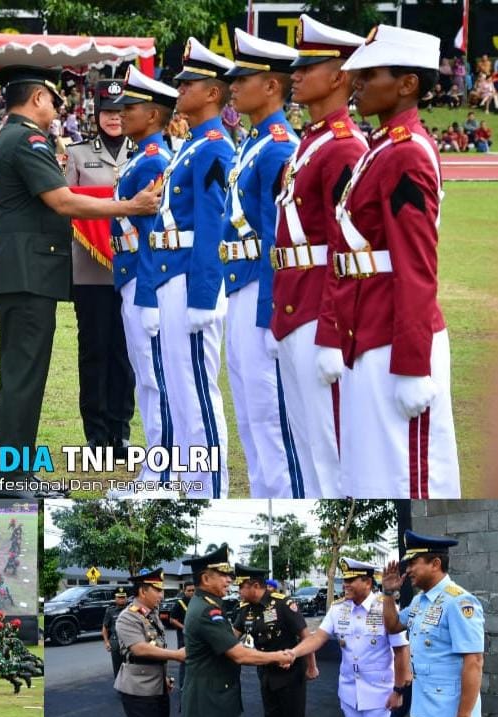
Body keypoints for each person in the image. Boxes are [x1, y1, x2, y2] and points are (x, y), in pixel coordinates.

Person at [0, 65, 160, 499]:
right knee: (24, 376)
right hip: (27, 272)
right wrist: (129, 207)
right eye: (54, 102)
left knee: (23, 374)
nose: (57, 112)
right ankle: (11, 479)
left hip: (25, 271)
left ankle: (15, 472)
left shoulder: (16, 137)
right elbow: (62, 200)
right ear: (38, 97)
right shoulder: (28, 139)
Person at [334, 25, 460, 497]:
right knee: (370, 472)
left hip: (396, 338)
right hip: (369, 326)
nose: (357, 84)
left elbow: (415, 265)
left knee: (409, 477)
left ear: (408, 84)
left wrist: (413, 362)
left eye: (369, 74)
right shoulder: (384, 146)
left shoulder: (406, 154)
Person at [270, 15, 367, 498]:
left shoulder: (345, 147)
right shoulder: (312, 141)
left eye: (309, 66)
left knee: (330, 448)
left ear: (340, 76)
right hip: (292, 303)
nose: (296, 75)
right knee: (308, 442)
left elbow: (344, 248)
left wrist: (333, 330)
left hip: (316, 311)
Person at [219, 30, 303, 498]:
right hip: (239, 284)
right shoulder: (253, 141)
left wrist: (273, 311)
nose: (234, 86)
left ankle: (283, 498)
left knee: (270, 412)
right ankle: (263, 492)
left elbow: (278, 236)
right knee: (250, 409)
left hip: (260, 288)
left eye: (244, 77)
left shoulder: (277, 145)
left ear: (271, 86)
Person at [153, 40, 236, 499]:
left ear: (211, 93)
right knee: (180, 393)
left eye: (189, 82)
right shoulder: (192, 145)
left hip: (193, 280)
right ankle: (188, 483)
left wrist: (204, 296)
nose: (180, 88)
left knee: (199, 394)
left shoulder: (213, 148)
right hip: (174, 272)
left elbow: (212, 226)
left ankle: (211, 488)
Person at [105, 65, 178, 497]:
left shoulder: (154, 161)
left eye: (130, 107)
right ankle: (157, 467)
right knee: (147, 376)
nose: (121, 114)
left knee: (154, 377)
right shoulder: (143, 157)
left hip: (142, 277)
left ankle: (163, 472)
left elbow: (156, 238)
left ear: (152, 114)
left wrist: (148, 292)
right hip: (131, 274)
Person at [64, 80, 137, 457]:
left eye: (120, 111)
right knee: (93, 349)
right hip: (90, 269)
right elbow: (66, 207)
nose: (114, 118)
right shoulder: (77, 155)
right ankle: (95, 432)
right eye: (107, 112)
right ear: (96, 115)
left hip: (132, 268)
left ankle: (120, 430)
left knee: (125, 352)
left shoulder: (142, 152)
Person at [289, 558, 410, 717]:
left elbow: (401, 650)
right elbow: (318, 637)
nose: (345, 584)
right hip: (348, 690)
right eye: (345, 579)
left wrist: (398, 690)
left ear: (368, 583)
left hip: (378, 691)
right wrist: (294, 653)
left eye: (352, 579)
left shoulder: (385, 607)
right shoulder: (338, 608)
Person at [182, 545, 294, 717]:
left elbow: (229, 638)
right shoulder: (207, 610)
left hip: (210, 702)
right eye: (223, 575)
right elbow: (239, 654)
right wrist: (278, 656)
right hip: (209, 706)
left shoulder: (206, 605)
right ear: (206, 579)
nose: (229, 580)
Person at [381, 530, 484, 717]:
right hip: (426, 710)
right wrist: (388, 593)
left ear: (435, 563)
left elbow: (474, 661)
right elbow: (393, 625)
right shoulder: (420, 601)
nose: (407, 570)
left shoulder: (459, 601)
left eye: (413, 562)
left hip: (450, 716)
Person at [232, 564, 318, 717]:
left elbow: (307, 637)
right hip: (266, 674)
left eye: (241, 586)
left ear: (254, 585)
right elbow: (231, 637)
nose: (238, 591)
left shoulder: (282, 604)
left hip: (291, 675)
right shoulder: (246, 610)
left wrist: (312, 666)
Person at [114, 568, 185, 717]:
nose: (162, 595)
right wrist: (176, 655)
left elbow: (156, 647)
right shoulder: (128, 616)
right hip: (138, 689)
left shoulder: (151, 614)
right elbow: (140, 649)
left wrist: (165, 677)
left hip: (158, 687)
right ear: (143, 591)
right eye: (158, 590)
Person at [168, 580, 194, 689]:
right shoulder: (180, 603)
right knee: (185, 662)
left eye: (194, 590)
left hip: (196, 638)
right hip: (184, 637)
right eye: (189, 590)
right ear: (184, 591)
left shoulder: (197, 602)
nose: (192, 592)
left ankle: (192, 685)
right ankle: (183, 686)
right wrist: (184, 627)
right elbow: (172, 620)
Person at [102, 587, 129, 679]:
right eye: (119, 597)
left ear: (127, 598)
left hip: (129, 641)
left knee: (130, 665)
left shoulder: (131, 610)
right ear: (115, 598)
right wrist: (106, 642)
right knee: (117, 666)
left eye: (123, 597)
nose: (121, 600)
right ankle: (119, 686)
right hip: (115, 641)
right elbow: (105, 628)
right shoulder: (110, 611)